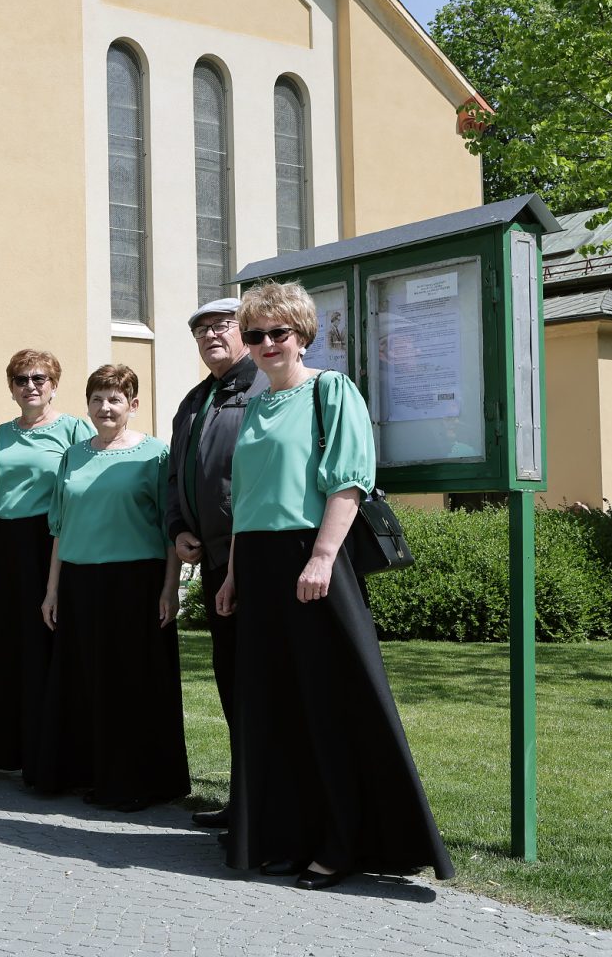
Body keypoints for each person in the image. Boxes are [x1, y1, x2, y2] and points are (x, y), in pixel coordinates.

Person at [215, 281, 454, 890]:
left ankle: (343, 841)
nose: (266, 344)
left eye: (278, 332)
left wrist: (322, 557)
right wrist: (234, 574)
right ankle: (290, 835)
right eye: (255, 335)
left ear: (302, 335)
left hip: (310, 557)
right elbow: (246, 501)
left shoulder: (331, 390)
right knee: (274, 708)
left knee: (329, 703)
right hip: (259, 564)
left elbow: (348, 481)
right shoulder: (254, 407)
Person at [34, 364, 189, 810]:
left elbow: (169, 529)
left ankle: (135, 782)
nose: (106, 407)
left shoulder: (155, 455)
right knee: (85, 682)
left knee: (130, 685)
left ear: (133, 405)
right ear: (87, 405)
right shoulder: (73, 455)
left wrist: (170, 588)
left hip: (136, 584)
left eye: (115, 399)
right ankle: (87, 773)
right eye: (98, 399)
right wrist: (52, 590)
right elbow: (60, 527)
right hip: (80, 583)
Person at [0, 349, 89, 780]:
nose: (30, 386)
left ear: (54, 384)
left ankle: (51, 755)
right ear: (11, 387)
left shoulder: (75, 428)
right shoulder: (1, 434)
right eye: (21, 379)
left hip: (50, 541)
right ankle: (8, 752)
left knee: (48, 644)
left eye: (39, 378)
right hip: (6, 548)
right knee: (9, 647)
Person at [165, 299, 267, 830]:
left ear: (244, 331)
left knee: (260, 683)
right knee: (232, 682)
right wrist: (179, 528)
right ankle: (245, 798)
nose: (210, 336)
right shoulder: (196, 399)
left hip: (256, 559)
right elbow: (175, 476)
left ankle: (265, 804)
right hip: (213, 562)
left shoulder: (263, 389)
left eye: (221, 326)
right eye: (201, 329)